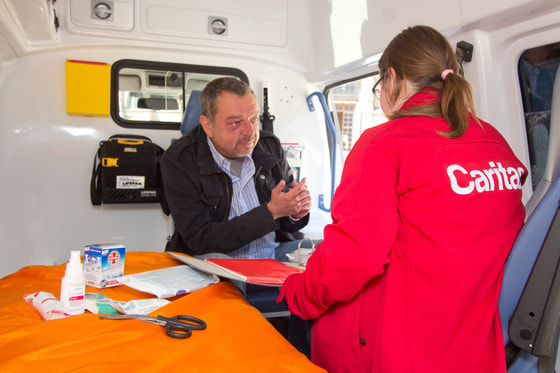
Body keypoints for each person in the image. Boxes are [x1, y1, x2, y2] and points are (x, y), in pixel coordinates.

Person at [278, 25, 528, 373]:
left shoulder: (384, 144)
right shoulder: (494, 141)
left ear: (392, 78)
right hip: (473, 347)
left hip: (397, 351)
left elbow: (355, 256)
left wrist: (300, 292)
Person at [160, 76, 312, 262]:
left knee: (329, 250)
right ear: (207, 125)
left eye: (254, 119)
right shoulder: (179, 160)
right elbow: (201, 239)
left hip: (272, 255)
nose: (250, 132)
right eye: (235, 123)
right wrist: (270, 212)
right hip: (220, 262)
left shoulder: (270, 145)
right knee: (220, 267)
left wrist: (295, 212)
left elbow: (288, 225)